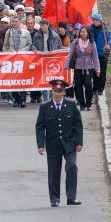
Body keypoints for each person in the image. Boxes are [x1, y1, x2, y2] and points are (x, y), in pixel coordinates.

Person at [35, 79, 84, 207]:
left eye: (60, 91)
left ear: (64, 92)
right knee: (54, 172)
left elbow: (78, 125)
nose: (58, 93)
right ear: (51, 91)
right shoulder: (44, 107)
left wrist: (79, 142)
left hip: (69, 143)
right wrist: (40, 145)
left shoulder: (71, 105)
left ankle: (71, 197)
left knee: (72, 166)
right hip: (53, 144)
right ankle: (55, 199)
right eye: (55, 91)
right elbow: (40, 126)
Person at [65, 26, 100, 111]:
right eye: (81, 32)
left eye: (84, 32)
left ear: (88, 33)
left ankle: (88, 104)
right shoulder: (75, 42)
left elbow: (95, 57)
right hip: (78, 67)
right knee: (78, 86)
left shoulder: (92, 43)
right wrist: (66, 65)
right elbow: (70, 54)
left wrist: (97, 69)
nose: (82, 33)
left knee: (88, 84)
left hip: (88, 67)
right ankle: (81, 104)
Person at [89, 14, 111, 95]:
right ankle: (94, 88)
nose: (95, 22)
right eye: (94, 20)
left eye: (97, 20)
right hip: (92, 54)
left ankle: (100, 88)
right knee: (94, 72)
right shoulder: (90, 29)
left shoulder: (105, 30)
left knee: (102, 72)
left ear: (100, 21)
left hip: (102, 54)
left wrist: (109, 44)